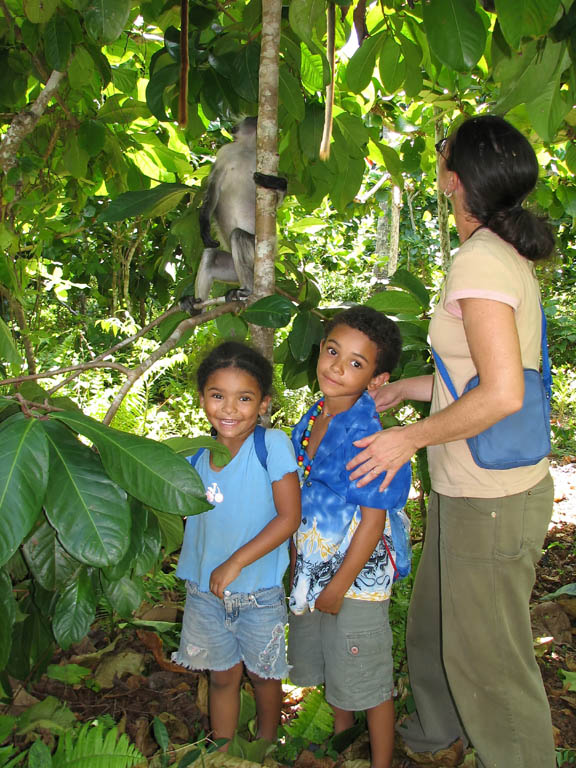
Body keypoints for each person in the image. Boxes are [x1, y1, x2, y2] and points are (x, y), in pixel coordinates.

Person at [347, 115, 556, 768]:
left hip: (488, 497)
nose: (436, 160)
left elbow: (501, 395)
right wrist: (401, 391)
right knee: (436, 629)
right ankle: (436, 739)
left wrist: (405, 438)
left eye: (442, 152)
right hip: (471, 488)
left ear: (454, 181)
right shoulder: (495, 252)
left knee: (489, 660)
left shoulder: (482, 260)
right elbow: (476, 370)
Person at [288, 306, 412, 768]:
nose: (338, 367)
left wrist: (339, 586)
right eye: (333, 351)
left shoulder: (367, 436)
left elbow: (374, 521)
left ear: (376, 380)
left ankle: (380, 761)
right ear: (321, 349)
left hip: (356, 579)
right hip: (315, 566)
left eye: (356, 363)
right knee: (333, 665)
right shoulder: (317, 412)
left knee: (368, 677)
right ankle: (341, 743)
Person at [172, 341, 301, 745]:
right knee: (222, 677)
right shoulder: (194, 454)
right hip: (204, 593)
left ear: (263, 403)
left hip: (257, 594)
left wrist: (236, 562)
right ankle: (221, 749)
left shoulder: (271, 445)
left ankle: (266, 745)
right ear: (202, 399)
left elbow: (289, 517)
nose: (229, 409)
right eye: (218, 396)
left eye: (244, 398)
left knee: (264, 678)